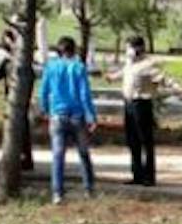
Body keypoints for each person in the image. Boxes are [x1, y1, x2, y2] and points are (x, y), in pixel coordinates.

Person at [38, 35, 97, 204]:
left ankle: (57, 192)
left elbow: (44, 91)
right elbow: (84, 93)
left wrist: (45, 109)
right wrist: (91, 115)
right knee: (83, 152)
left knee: (58, 155)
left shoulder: (51, 67)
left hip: (57, 114)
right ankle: (89, 187)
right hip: (77, 115)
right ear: (74, 49)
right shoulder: (78, 67)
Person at [109, 35, 167, 186]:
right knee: (132, 141)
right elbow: (124, 73)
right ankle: (137, 174)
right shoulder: (130, 63)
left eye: (128, 48)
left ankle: (149, 176)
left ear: (138, 49)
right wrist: (112, 77)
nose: (126, 51)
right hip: (128, 104)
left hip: (142, 104)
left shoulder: (149, 64)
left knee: (145, 141)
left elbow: (164, 79)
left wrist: (181, 91)